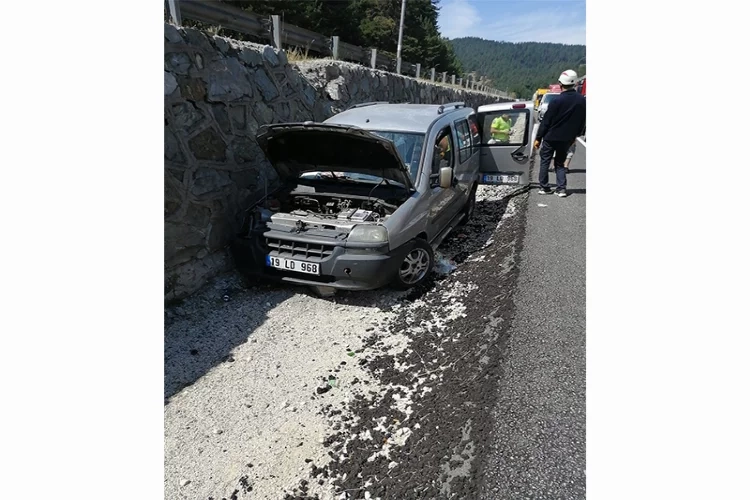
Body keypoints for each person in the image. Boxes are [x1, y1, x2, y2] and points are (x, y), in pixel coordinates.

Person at [533, 69, 586, 197]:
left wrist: (538, 138)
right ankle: (561, 189)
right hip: (567, 138)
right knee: (560, 163)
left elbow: (546, 121)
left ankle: (544, 187)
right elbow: (583, 121)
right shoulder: (582, 100)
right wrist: (575, 136)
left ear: (561, 83)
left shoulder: (556, 101)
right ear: (574, 84)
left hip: (551, 137)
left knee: (545, 161)